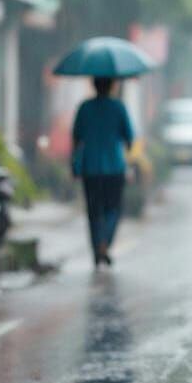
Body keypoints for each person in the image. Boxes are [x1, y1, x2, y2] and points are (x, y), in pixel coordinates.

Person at [71, 77, 134, 268]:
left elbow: (76, 137)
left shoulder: (84, 108)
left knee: (93, 211)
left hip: (90, 167)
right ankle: (105, 244)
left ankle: (97, 247)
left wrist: (74, 163)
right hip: (114, 167)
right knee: (113, 209)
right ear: (112, 85)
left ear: (94, 85)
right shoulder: (118, 107)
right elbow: (129, 137)